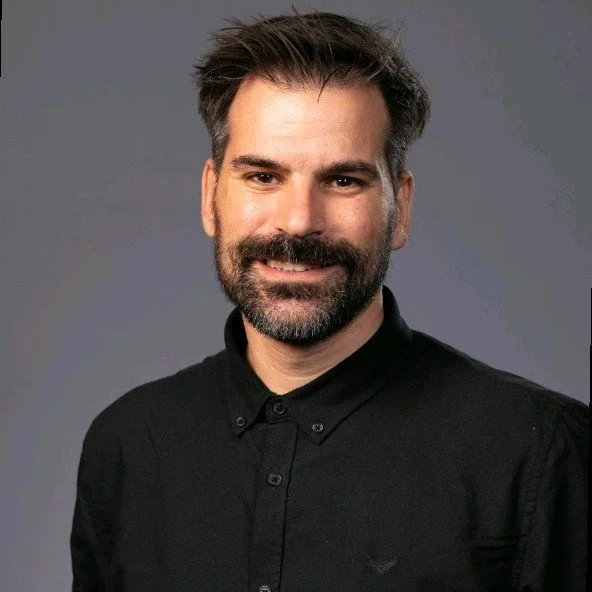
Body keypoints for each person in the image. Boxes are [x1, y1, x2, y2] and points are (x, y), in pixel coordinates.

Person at [70, 12, 588, 592]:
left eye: (343, 181)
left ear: (400, 209)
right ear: (211, 196)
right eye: (263, 176)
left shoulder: (539, 452)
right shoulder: (127, 445)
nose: (299, 221)